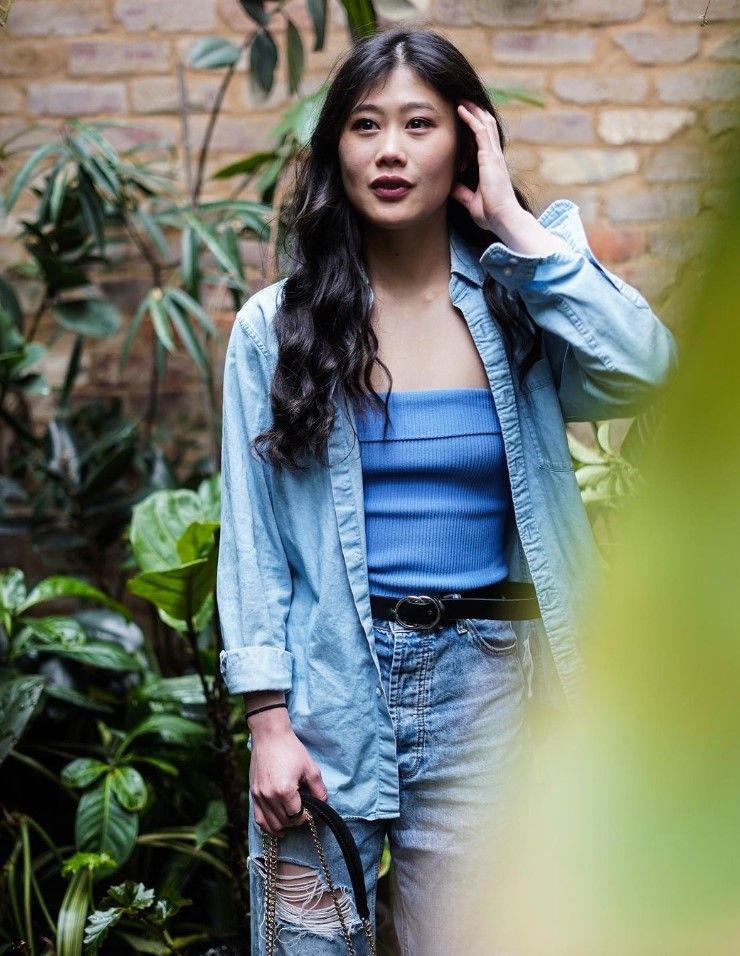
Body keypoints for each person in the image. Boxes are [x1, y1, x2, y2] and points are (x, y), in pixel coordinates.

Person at [216, 26, 678, 956]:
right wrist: (267, 722)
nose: (389, 150)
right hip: (328, 690)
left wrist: (515, 225)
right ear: (335, 150)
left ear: (469, 143)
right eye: (365, 125)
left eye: (418, 124)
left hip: (486, 698)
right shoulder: (277, 328)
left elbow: (648, 367)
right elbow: (252, 535)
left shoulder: (518, 311)